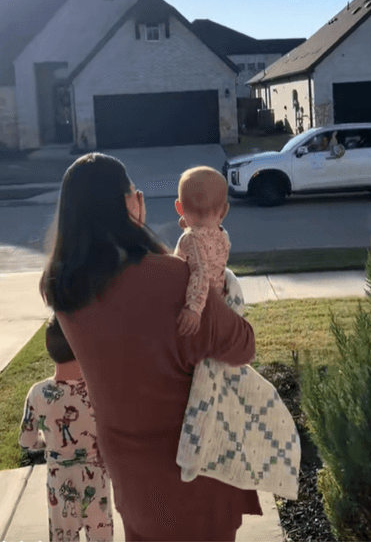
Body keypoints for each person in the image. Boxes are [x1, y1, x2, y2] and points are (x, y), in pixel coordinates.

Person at [40, 153, 261, 541]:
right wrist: (214, 286)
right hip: (190, 467)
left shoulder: (65, 292)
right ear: (129, 203)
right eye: (135, 193)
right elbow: (241, 345)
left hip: (129, 469)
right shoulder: (173, 279)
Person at [20, 315, 114, 542]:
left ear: (47, 346)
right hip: (96, 480)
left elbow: (26, 441)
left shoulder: (38, 394)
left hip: (60, 483)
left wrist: (46, 442)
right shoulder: (100, 389)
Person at [173, 166, 232, 335]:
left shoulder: (191, 238)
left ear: (179, 208)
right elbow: (206, 247)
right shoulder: (222, 235)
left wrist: (193, 308)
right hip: (217, 301)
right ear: (224, 211)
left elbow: (200, 271)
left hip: (197, 307)